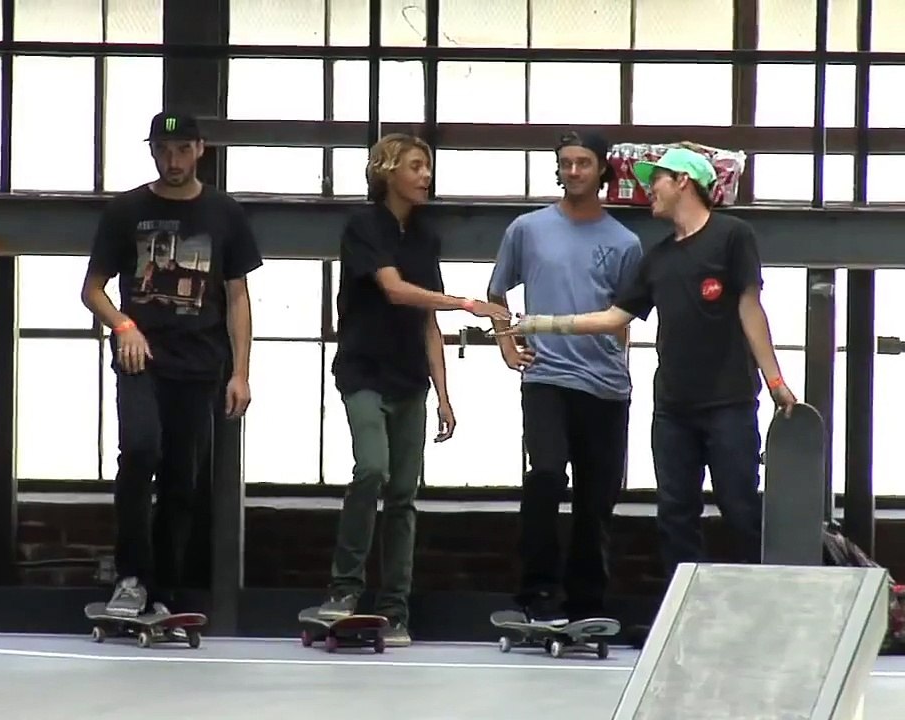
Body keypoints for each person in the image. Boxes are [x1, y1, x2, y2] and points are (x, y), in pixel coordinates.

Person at [496, 146, 798, 584]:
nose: (647, 189)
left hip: (729, 401)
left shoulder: (732, 236)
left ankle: (761, 603)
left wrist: (775, 381)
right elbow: (614, 317)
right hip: (672, 409)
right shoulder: (657, 258)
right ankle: (681, 612)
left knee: (740, 506)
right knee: (675, 514)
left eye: (655, 179)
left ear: (683, 181)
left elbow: (750, 309)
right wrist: (542, 323)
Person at [314, 133, 509, 647]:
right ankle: (343, 589)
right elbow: (395, 289)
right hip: (362, 372)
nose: (426, 176)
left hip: (408, 381)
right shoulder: (363, 227)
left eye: (428, 167)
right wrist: (465, 303)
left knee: (403, 495)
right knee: (372, 469)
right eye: (416, 167)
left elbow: (425, 321)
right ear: (388, 171)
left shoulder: (425, 237)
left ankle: (395, 608)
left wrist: (443, 393)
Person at [81, 111, 262, 619]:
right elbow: (92, 289)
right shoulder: (127, 210)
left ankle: (164, 588)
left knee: (183, 478)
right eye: (164, 149)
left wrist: (241, 372)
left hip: (200, 363)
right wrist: (124, 326)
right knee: (140, 452)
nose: (173, 159)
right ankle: (131, 577)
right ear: (152, 151)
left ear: (201, 149)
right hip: (142, 360)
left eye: (183, 149)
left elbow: (238, 297)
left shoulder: (224, 213)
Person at [486, 131, 643, 627]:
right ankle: (536, 593)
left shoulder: (625, 242)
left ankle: (587, 604)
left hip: (606, 387)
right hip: (546, 378)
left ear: (602, 171)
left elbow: (624, 317)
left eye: (583, 163)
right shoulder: (528, 229)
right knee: (547, 474)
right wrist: (506, 343)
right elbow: (496, 290)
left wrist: (618, 369)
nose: (574, 171)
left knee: (597, 499)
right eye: (566, 163)